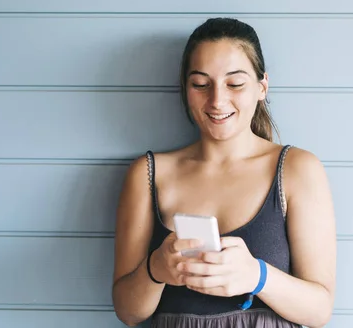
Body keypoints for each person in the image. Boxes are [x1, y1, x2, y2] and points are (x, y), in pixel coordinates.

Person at [112, 18, 336, 327]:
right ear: (185, 89)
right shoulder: (148, 174)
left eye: (235, 84)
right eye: (201, 84)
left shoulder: (297, 170)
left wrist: (257, 276)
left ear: (262, 87)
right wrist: (155, 269)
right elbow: (127, 310)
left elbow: (320, 310)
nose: (217, 100)